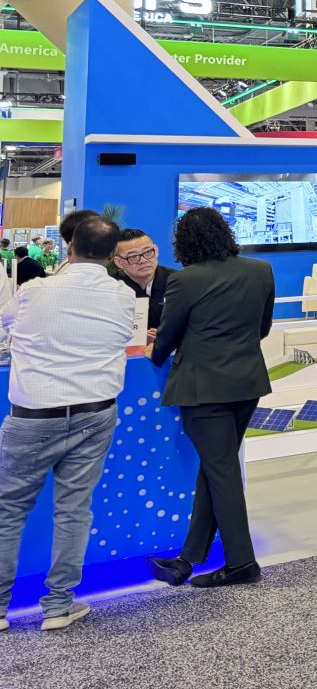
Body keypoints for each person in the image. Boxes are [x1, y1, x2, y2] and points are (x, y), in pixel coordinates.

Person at [0, 215, 132, 631]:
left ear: (69, 247)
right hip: (96, 413)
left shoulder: (35, 290)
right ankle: (58, 607)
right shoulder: (122, 294)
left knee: (8, 510)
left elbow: (6, 322)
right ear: (113, 255)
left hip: (33, 416)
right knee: (74, 510)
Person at [146, 207, 276, 589]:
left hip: (204, 389)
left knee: (221, 472)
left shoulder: (185, 280)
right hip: (247, 383)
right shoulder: (260, 270)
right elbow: (262, 328)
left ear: (184, 241)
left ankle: (242, 563)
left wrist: (155, 349)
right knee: (217, 469)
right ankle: (189, 557)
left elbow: (167, 338)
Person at [110, 227, 174, 344]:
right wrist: (137, 337)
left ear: (156, 251)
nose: (143, 260)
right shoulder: (110, 286)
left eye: (148, 252)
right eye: (133, 256)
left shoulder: (177, 282)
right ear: (119, 262)